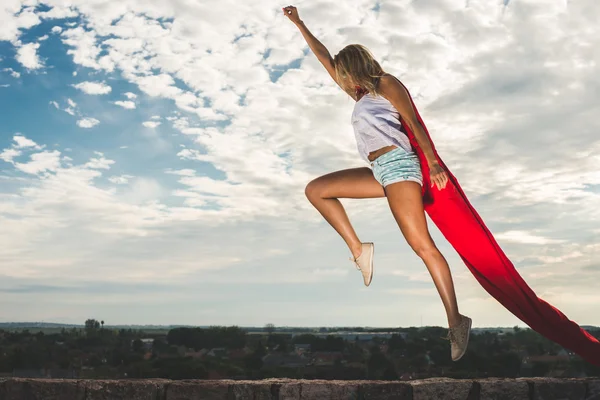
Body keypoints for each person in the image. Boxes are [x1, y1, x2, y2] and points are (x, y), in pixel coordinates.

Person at [282, 5, 471, 361]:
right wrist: (299, 24)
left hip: (400, 167)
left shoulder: (386, 84)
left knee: (422, 246)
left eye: (343, 73)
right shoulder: (360, 97)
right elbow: (324, 58)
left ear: (354, 66)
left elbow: (413, 122)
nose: (339, 78)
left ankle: (456, 320)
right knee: (316, 190)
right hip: (378, 172)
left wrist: (432, 162)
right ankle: (359, 248)